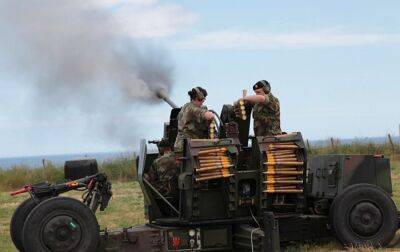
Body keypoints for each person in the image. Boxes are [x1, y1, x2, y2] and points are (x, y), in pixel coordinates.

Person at [173, 87, 215, 152]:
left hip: (185, 146)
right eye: (202, 99)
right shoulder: (192, 109)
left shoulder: (186, 106)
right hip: (187, 148)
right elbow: (210, 116)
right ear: (198, 97)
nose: (203, 101)